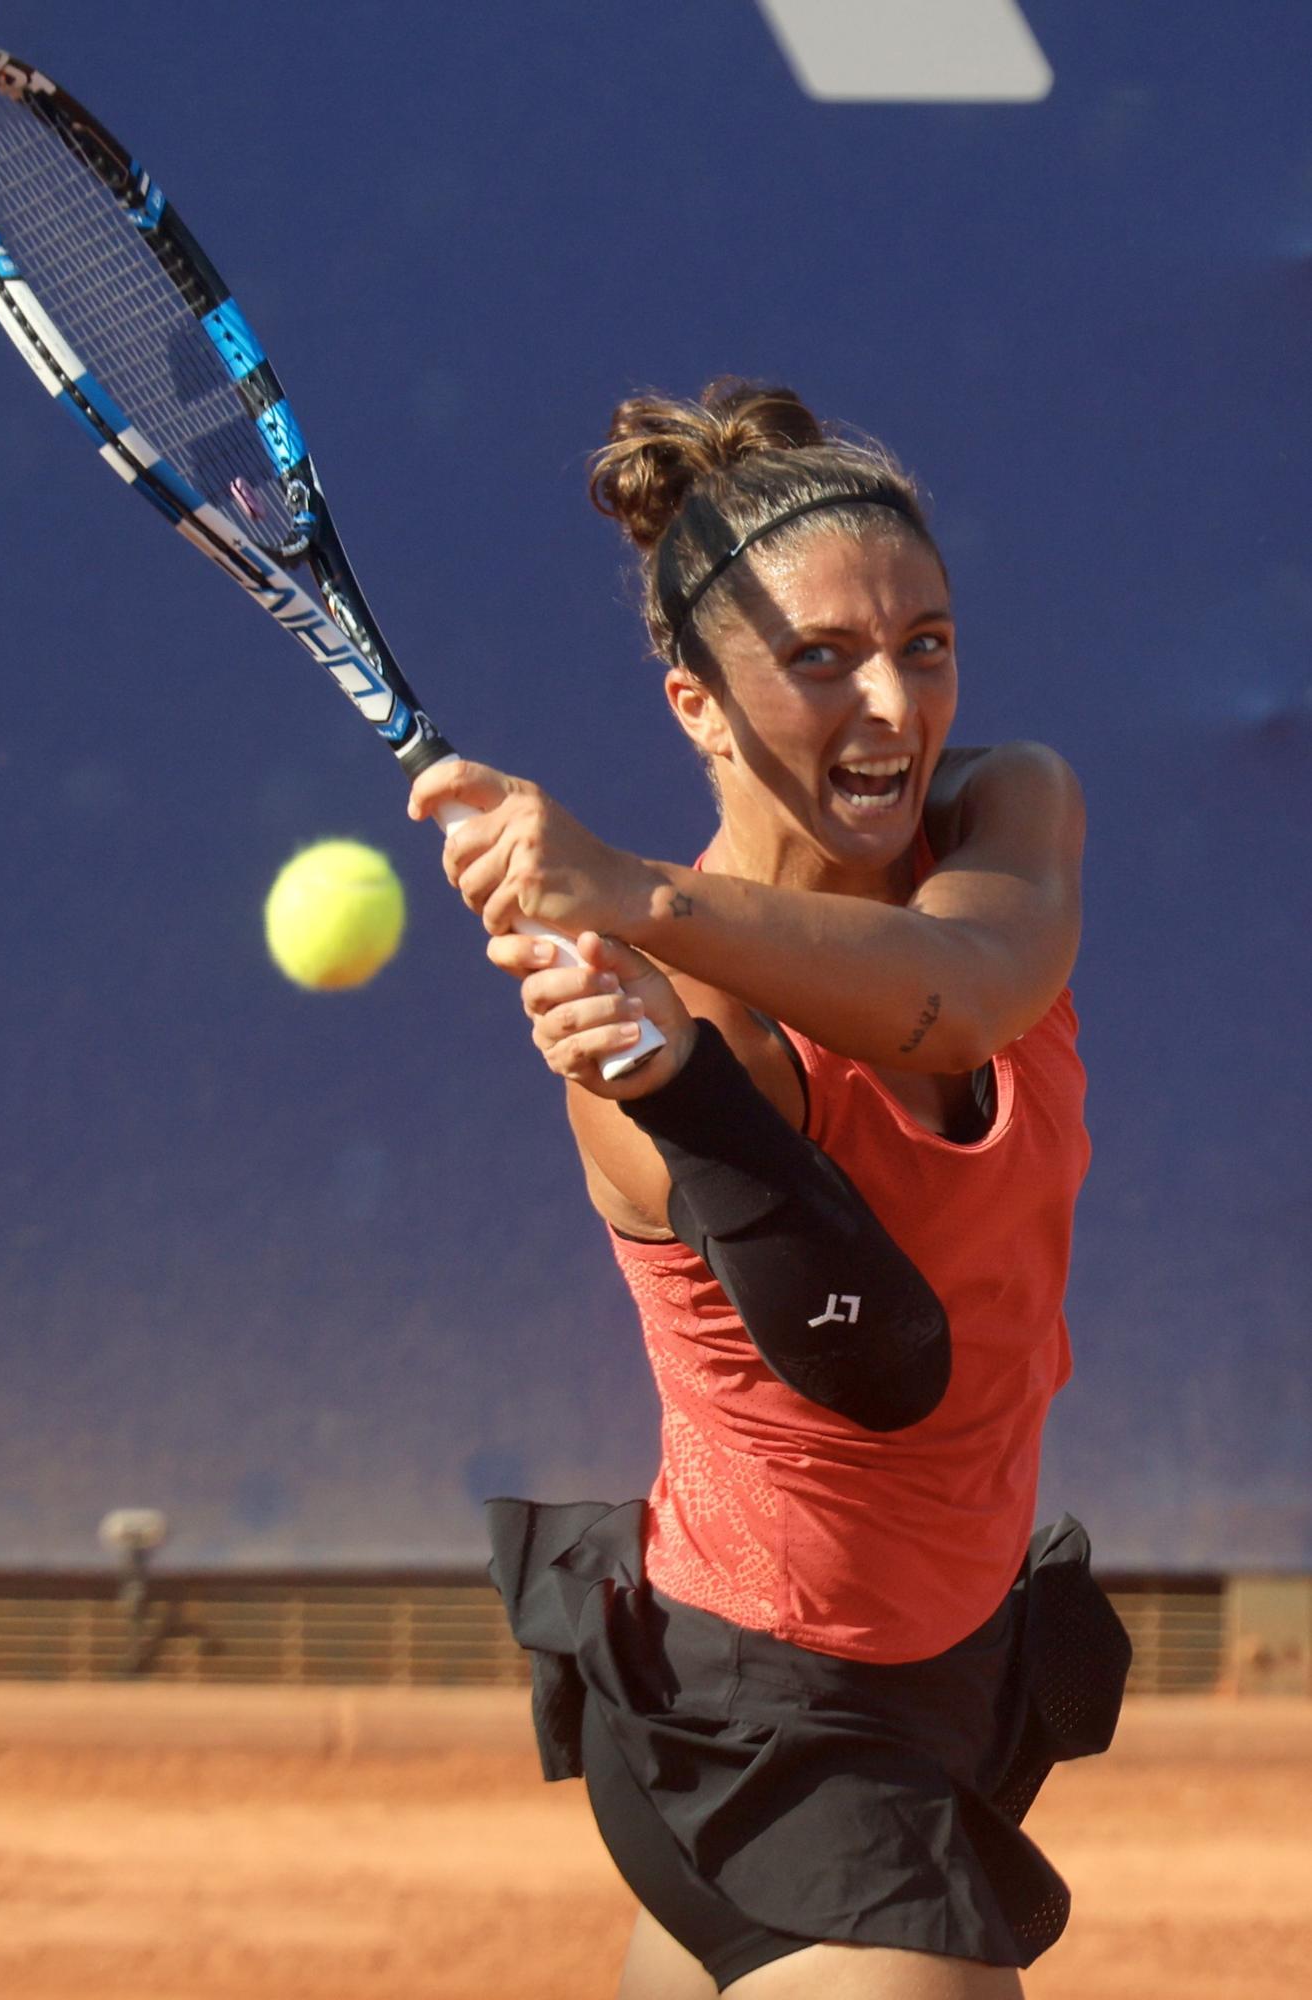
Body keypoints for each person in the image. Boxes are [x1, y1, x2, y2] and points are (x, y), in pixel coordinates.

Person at [409, 380, 1130, 1999]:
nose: (891, 703)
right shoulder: (668, 1026)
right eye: (819, 662)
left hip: (955, 1659)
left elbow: (965, 979)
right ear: (694, 705)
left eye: (922, 644)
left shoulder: (1008, 814)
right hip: (774, 1715)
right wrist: (669, 1078)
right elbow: (867, 1355)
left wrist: (635, 891)